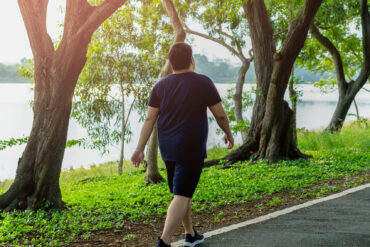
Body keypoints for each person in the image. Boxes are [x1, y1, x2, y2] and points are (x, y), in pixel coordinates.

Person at [131, 42, 234, 247]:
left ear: (170, 62)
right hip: (191, 147)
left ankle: (190, 234)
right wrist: (229, 134)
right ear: (191, 60)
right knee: (181, 194)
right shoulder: (203, 82)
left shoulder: (160, 86)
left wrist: (139, 148)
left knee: (181, 192)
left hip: (168, 149)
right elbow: (220, 115)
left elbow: (150, 120)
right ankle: (164, 241)